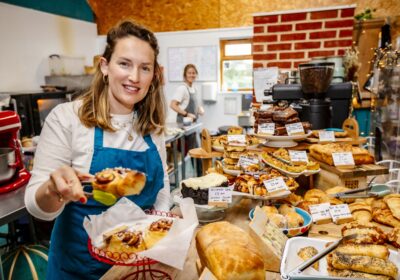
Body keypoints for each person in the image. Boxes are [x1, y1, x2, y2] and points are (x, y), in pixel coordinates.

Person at [24, 20, 170, 279]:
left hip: (136, 264)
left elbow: (161, 191)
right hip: (79, 267)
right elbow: (37, 207)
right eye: (124, 63)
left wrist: (162, 225)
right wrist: (53, 190)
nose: (134, 77)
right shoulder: (67, 118)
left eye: (144, 68)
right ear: (104, 66)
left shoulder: (152, 125)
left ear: (154, 75)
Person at [169, 64, 205, 176]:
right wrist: (186, 113)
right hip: (184, 126)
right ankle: (197, 177)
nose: (191, 75)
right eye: (189, 73)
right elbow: (173, 105)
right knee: (193, 154)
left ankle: (199, 176)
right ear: (185, 75)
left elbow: (194, 105)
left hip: (193, 126)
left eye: (193, 73)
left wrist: (199, 109)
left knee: (197, 153)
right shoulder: (182, 88)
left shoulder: (194, 89)